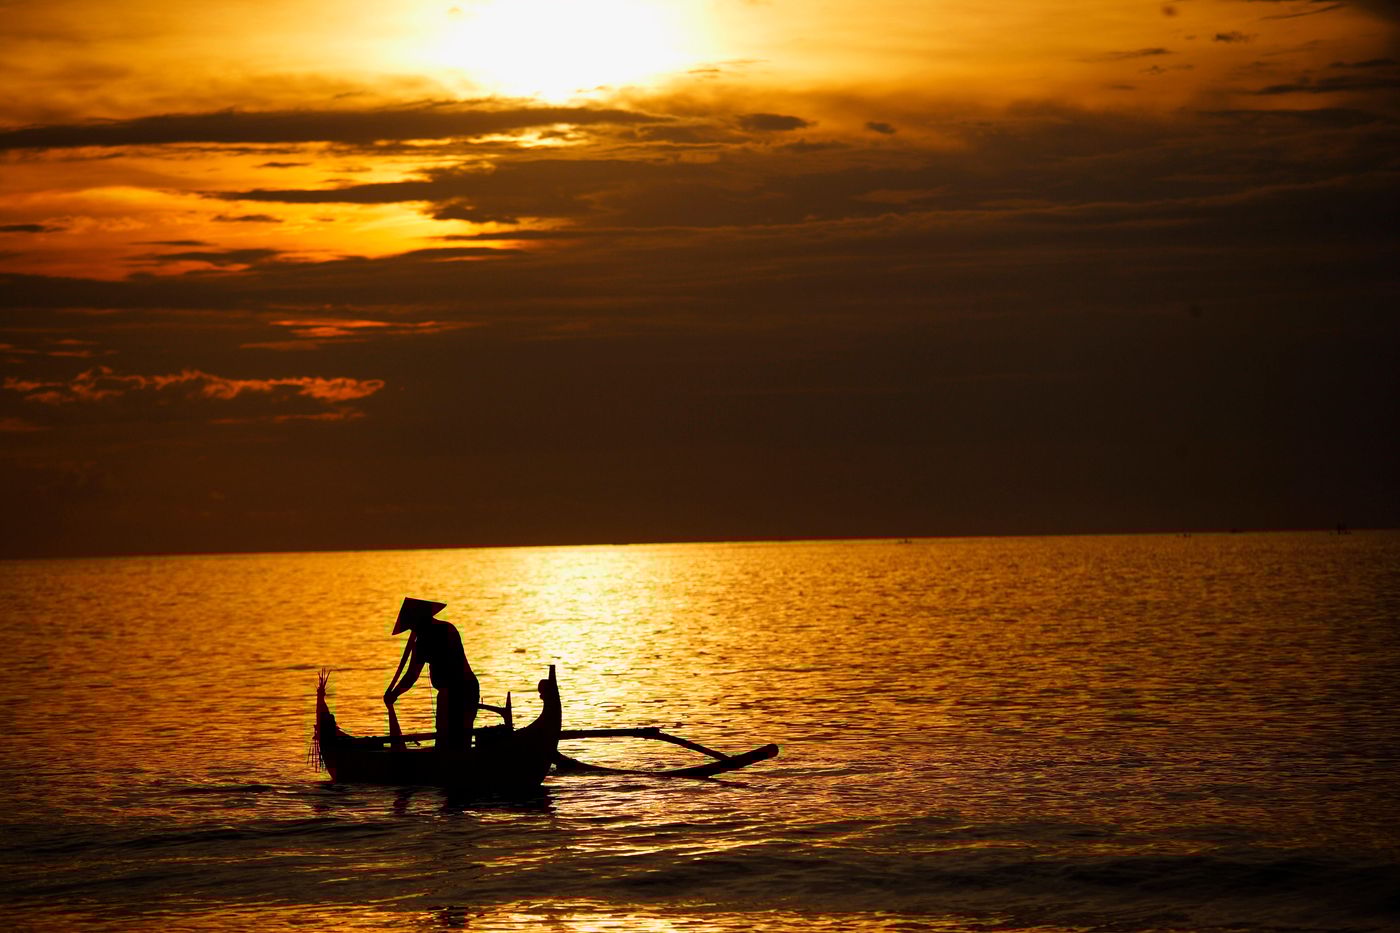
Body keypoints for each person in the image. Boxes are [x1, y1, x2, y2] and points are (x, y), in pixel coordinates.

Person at [383, 597, 480, 752]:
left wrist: (394, 694)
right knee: (458, 740)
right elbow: (411, 675)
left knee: (449, 742)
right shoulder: (447, 629)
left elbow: (411, 676)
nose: (412, 629)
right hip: (466, 689)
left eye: (412, 625)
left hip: (457, 692)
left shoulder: (427, 640)